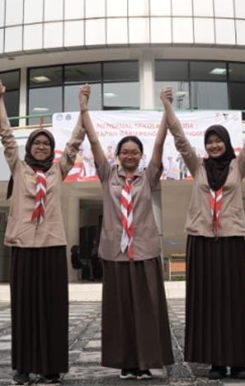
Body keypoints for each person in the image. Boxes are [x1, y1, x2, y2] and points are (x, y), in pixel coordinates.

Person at [160, 86, 245, 380]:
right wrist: (167, 105)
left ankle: (238, 361)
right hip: (201, 241)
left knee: (233, 301)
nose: (213, 145)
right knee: (208, 302)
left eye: (218, 140)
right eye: (209, 141)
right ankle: (216, 361)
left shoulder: (238, 166)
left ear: (226, 142)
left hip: (231, 240)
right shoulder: (198, 167)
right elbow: (180, 138)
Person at [0, 80, 88, 385]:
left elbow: (75, 140)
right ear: (29, 147)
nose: (42, 147)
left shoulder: (58, 170)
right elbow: (6, 135)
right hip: (22, 246)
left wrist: (83, 103)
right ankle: (23, 366)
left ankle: (51, 367)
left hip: (51, 245)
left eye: (46, 144)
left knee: (53, 309)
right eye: (37, 143)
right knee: (24, 309)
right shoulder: (20, 169)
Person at [81, 92, 173, 379]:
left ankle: (145, 362)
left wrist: (166, 107)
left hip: (144, 251)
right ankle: (126, 363)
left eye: (135, 151)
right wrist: (84, 107)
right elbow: (94, 141)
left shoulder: (149, 176)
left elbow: (160, 142)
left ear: (141, 155)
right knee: (120, 312)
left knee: (148, 310)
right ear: (117, 155)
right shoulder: (108, 175)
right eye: (125, 152)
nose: (130, 155)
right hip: (115, 253)